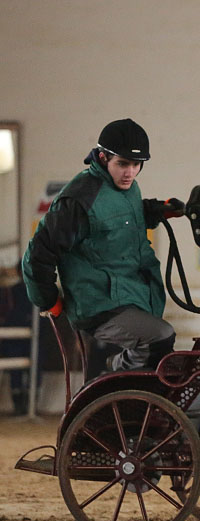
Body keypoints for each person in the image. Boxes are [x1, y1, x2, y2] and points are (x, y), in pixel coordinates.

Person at [21, 118, 184, 372]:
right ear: (102, 157)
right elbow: (38, 253)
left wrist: (158, 211)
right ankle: (111, 380)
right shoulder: (79, 198)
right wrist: (48, 299)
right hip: (98, 304)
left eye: (136, 165)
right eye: (122, 164)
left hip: (128, 294)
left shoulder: (126, 188)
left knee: (161, 361)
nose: (130, 172)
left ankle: (130, 395)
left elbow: (122, 219)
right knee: (160, 337)